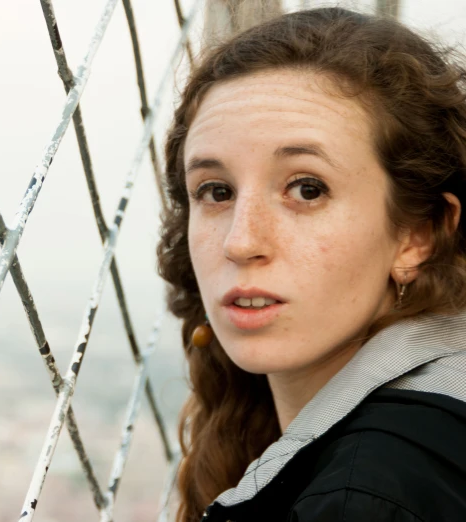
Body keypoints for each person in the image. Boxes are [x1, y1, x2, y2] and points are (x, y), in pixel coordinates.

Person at [157, 7, 466, 522]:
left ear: (419, 232)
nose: (240, 242)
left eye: (307, 188)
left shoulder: (368, 495)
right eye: (216, 191)